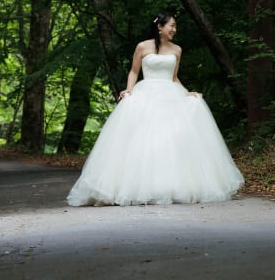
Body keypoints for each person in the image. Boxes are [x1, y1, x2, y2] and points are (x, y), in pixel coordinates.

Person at [67, 12, 244, 206]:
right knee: (143, 140)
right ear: (160, 26)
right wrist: (129, 90)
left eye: (176, 26)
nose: (174, 30)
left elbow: (174, 77)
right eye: (172, 26)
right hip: (147, 92)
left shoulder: (177, 50)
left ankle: (172, 186)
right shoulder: (143, 46)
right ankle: (135, 187)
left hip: (171, 94)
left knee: (172, 139)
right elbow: (134, 71)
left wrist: (186, 93)